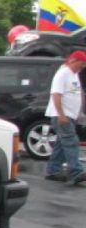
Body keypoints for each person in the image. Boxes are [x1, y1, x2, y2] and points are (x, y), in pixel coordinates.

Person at [44, 50, 86, 185]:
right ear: (73, 61)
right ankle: (76, 171)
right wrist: (61, 114)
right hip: (61, 115)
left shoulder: (74, 74)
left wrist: (78, 113)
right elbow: (56, 95)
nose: (82, 67)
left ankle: (53, 171)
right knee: (71, 141)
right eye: (81, 64)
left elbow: (76, 94)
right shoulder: (62, 74)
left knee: (62, 144)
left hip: (70, 115)